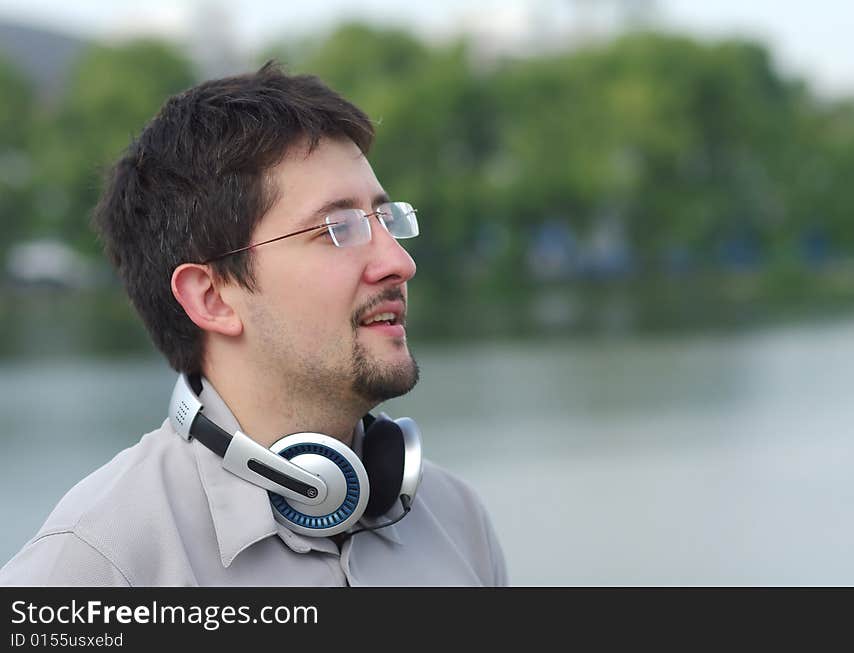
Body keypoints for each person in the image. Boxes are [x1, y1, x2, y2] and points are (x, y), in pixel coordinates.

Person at [0, 63, 508, 586]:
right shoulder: (100, 566)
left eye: (384, 219)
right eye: (338, 229)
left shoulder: (458, 522)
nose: (399, 262)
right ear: (212, 297)